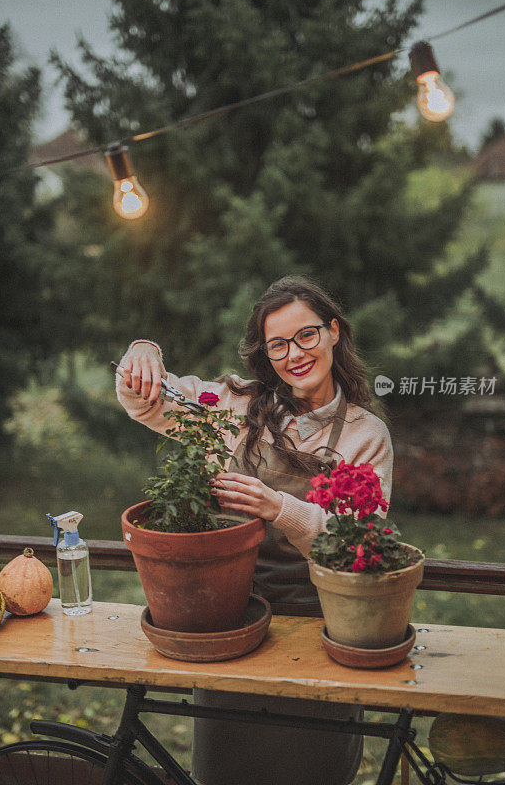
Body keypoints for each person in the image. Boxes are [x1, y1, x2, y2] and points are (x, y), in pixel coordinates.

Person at [116, 275, 393, 785]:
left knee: (312, 770)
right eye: (278, 345)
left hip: (320, 625)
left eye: (306, 335)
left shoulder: (363, 433)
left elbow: (357, 544)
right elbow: (151, 401)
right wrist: (142, 354)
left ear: (333, 332)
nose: (295, 354)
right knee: (226, 768)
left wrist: (280, 507)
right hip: (234, 620)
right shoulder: (238, 407)